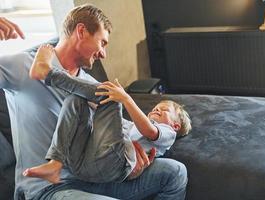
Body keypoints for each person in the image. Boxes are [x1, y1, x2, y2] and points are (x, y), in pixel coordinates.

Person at [0, 4, 188, 200]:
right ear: (81, 31)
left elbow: (115, 130)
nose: (104, 54)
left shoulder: (92, 84)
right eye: (103, 43)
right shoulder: (22, 65)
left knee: (176, 172)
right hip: (50, 187)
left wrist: (128, 163)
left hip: (93, 175)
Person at [22, 44, 192, 184]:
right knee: (76, 99)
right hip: (82, 164)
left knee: (112, 97)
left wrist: (126, 99)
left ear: (175, 125)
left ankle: (48, 73)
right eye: (156, 107)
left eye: (164, 110)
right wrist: (91, 102)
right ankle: (55, 164)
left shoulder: (167, 134)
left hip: (113, 166)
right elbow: (109, 124)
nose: (157, 109)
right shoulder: (131, 127)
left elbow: (149, 131)